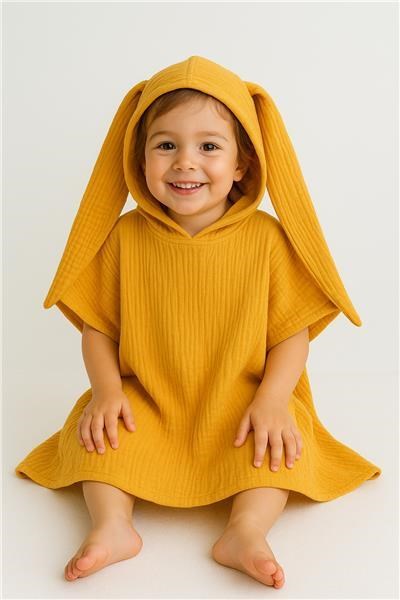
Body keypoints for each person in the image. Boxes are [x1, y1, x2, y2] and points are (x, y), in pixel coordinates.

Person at [15, 55, 382, 588]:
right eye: (165, 145)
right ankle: (113, 525)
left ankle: (246, 530)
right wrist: (107, 392)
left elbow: (291, 334)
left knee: (277, 444)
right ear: (139, 160)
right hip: (147, 400)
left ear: (242, 165)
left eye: (209, 147)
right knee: (101, 438)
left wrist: (273, 400)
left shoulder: (266, 239)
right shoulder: (124, 238)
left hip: (241, 400)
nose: (185, 162)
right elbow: (99, 329)